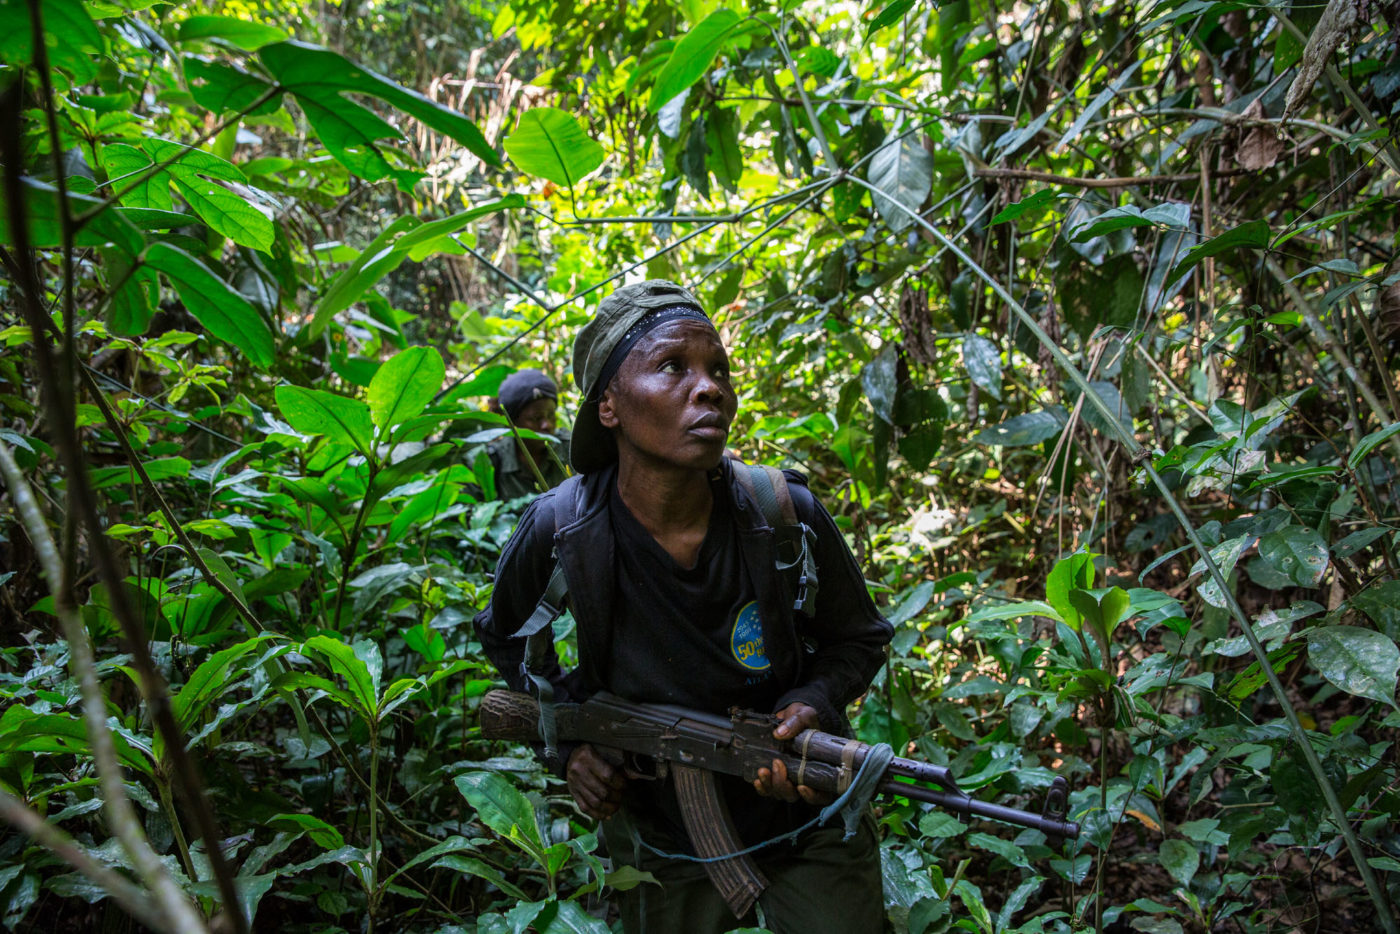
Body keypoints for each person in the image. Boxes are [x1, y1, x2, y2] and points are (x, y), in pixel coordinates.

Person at [474, 280, 892, 933]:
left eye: (718, 369)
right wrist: (570, 751)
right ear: (608, 405)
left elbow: (859, 638)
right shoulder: (563, 530)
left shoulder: (785, 514)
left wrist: (813, 702)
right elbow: (505, 637)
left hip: (805, 818)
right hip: (660, 839)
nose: (711, 389)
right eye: (673, 367)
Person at [484, 368, 570, 501]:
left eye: (551, 415)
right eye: (536, 418)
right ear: (512, 423)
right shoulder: (492, 462)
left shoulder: (570, 448)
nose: (547, 425)